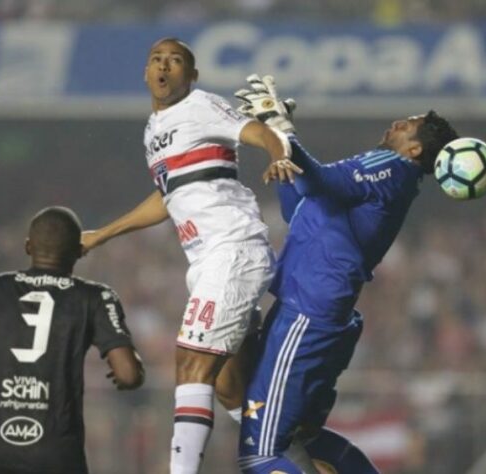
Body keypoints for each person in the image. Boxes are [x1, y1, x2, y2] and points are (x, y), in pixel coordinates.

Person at [81, 38, 299, 474]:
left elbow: (260, 132)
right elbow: (168, 196)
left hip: (232, 249)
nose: (165, 66)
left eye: (175, 60)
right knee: (228, 388)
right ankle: (300, 461)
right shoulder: (155, 129)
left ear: (191, 75)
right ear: (146, 73)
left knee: (190, 361)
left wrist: (281, 153)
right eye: (157, 60)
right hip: (204, 262)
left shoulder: (201, 105)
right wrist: (103, 235)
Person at [234, 75, 460, 473]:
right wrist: (279, 142)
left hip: (307, 313)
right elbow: (302, 204)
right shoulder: (390, 180)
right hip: (316, 311)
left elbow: (322, 179)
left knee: (262, 453)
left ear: (415, 148)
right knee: (303, 438)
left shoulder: (391, 166)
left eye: (406, 124)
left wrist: (284, 131)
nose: (396, 123)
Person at [0, 206, 144, 473]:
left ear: (28, 247)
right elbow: (129, 375)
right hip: (57, 455)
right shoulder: (95, 297)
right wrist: (134, 369)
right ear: (79, 250)